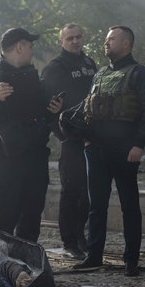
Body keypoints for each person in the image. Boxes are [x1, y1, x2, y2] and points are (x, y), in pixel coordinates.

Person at [72, 26, 145, 276]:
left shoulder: (140, 74)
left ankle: (131, 259)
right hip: (96, 150)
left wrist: (139, 144)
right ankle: (94, 256)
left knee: (129, 206)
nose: (106, 43)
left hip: (124, 150)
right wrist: (88, 140)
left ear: (126, 44)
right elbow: (89, 110)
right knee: (96, 206)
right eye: (105, 39)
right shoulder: (99, 74)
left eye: (111, 39)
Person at [0, 28, 62, 243]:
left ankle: (27, 264)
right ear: (19, 47)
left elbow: (39, 112)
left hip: (35, 154)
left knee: (32, 212)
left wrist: (53, 110)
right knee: (6, 213)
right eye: (30, 46)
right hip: (7, 156)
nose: (32, 51)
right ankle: (0, 266)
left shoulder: (32, 76)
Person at [40, 23, 97, 259]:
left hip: (92, 136)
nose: (75, 41)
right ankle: (69, 242)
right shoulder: (55, 68)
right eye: (70, 38)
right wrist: (61, 137)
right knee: (71, 190)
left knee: (89, 192)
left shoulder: (89, 63)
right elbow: (47, 107)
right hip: (68, 137)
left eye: (78, 37)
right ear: (61, 42)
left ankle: (79, 234)